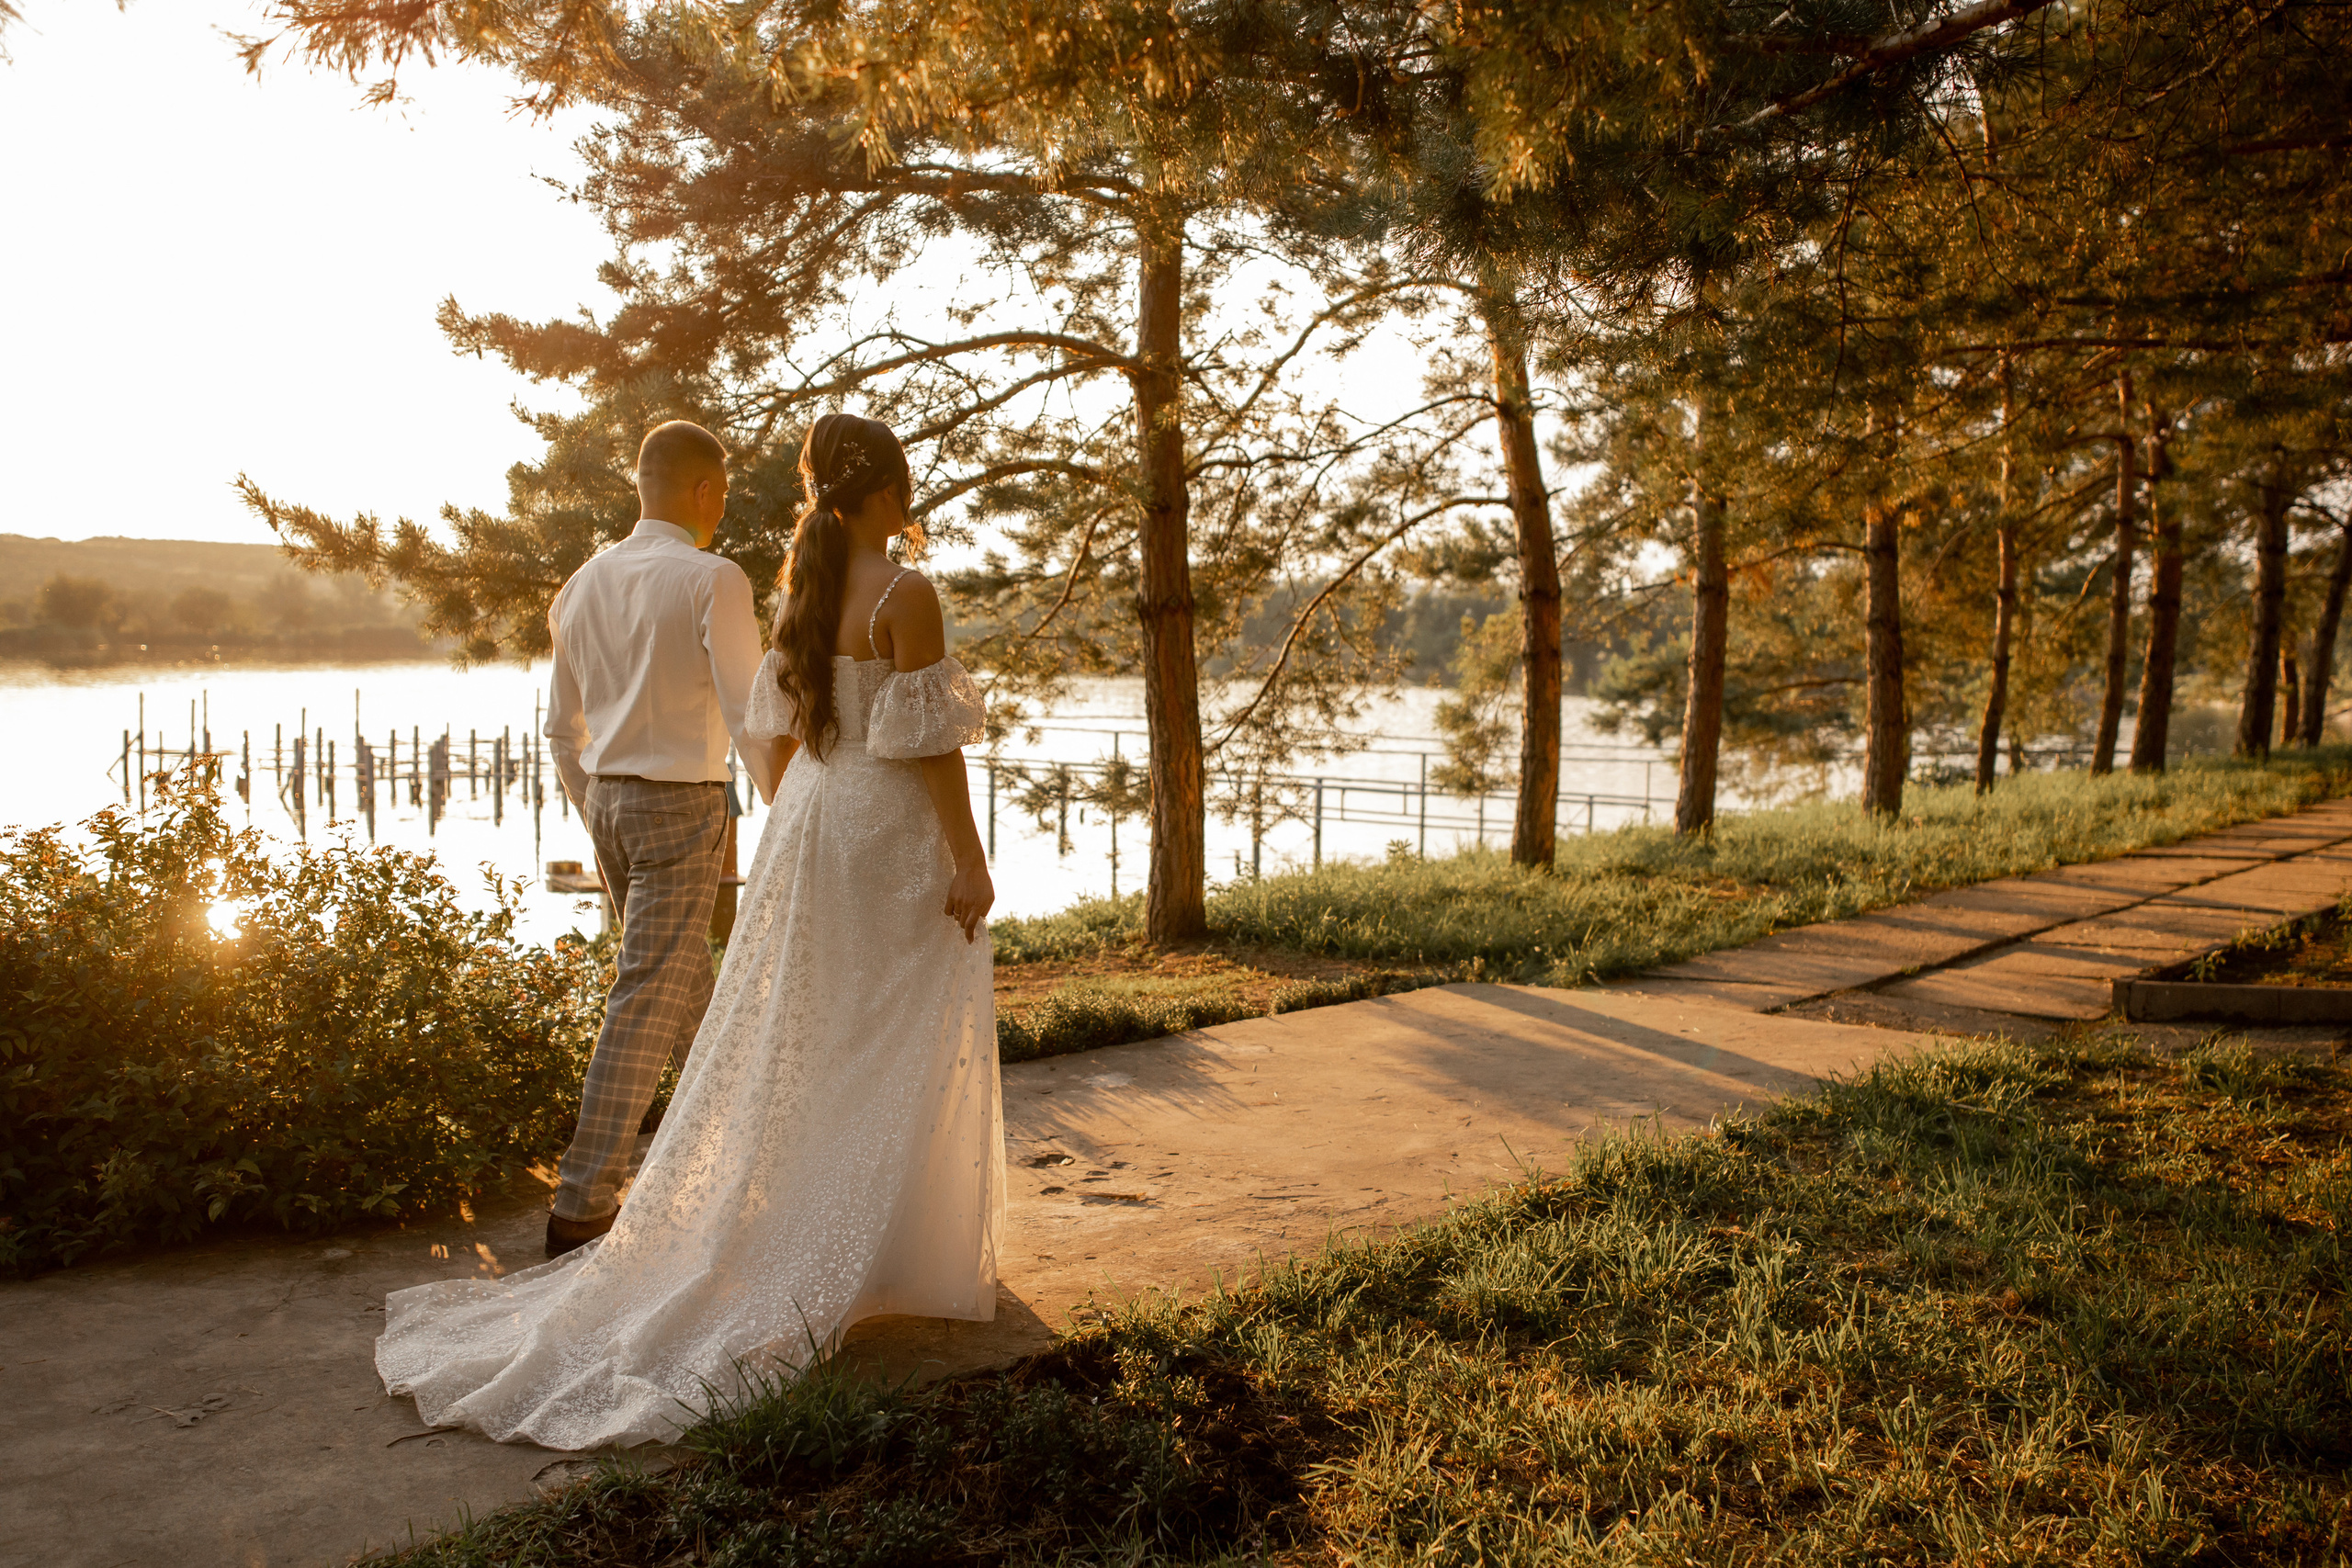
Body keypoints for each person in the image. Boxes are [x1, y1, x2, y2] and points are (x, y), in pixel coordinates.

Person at [374, 412, 1003, 1450]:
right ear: (888, 491)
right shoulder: (902, 593)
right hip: (864, 824)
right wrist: (968, 858)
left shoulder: (786, 590)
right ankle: (847, 1245)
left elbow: (775, 726)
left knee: (799, 1030)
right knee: (863, 1030)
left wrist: (780, 817)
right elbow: (926, 745)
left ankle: (801, 1223)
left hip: (791, 815)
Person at [538, 420, 778, 1258]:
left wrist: (595, 803)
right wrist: (790, 808)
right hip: (680, 807)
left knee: (685, 987)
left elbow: (559, 730)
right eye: (726, 493)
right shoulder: (715, 578)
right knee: (647, 994)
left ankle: (728, 1156)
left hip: (607, 803)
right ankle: (582, 1202)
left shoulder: (580, 583)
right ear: (705, 491)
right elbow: (750, 713)